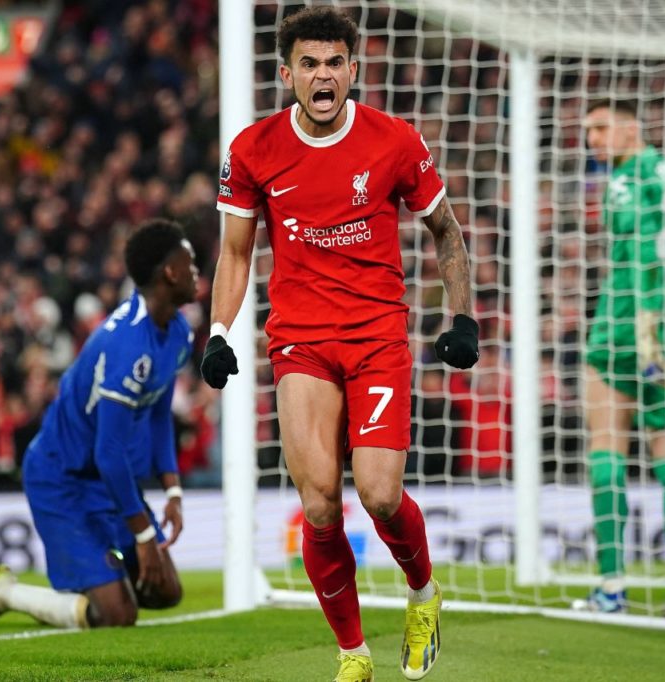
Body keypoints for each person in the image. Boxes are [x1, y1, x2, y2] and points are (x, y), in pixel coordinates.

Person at [202, 7, 477, 681]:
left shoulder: (394, 141)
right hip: (300, 341)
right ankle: (354, 653)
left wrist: (461, 317)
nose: (322, 76)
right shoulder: (253, 150)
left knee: (380, 493)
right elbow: (236, 253)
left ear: (353, 70)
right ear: (287, 73)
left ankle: (422, 592)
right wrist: (215, 333)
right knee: (320, 500)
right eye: (309, 64)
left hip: (378, 338)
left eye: (334, 64)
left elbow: (446, 233)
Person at [0, 219, 197, 629]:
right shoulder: (125, 343)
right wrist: (143, 536)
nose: (196, 271)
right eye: (189, 262)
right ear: (169, 272)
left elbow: (160, 412)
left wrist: (173, 490)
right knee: (117, 616)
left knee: (165, 593)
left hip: (105, 476)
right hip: (63, 477)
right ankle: (9, 593)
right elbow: (107, 452)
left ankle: (101, 577)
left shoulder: (177, 331)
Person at [580, 99, 665, 619]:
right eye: (588, 131)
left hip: (629, 325)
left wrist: (645, 324)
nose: (594, 140)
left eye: (602, 127)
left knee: (606, 445)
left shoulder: (628, 182)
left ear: (632, 128)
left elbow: (645, 253)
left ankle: (612, 585)